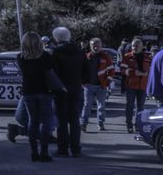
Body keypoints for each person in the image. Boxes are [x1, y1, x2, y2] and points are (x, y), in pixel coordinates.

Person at [17, 32, 56, 162]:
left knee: (32, 122)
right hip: (44, 90)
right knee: (45, 122)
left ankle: (34, 152)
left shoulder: (21, 57)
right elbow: (50, 72)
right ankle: (44, 152)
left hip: (28, 91)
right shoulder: (45, 56)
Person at [50, 26, 87, 157]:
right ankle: (76, 148)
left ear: (56, 38)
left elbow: (53, 73)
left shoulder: (55, 53)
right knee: (75, 120)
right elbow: (85, 72)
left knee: (61, 121)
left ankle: (63, 149)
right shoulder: (80, 52)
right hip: (76, 88)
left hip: (60, 90)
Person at [81, 38, 115, 131]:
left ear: (101, 46)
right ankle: (83, 124)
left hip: (101, 86)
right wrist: (82, 82)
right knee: (87, 105)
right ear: (90, 46)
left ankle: (100, 124)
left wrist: (108, 81)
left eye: (97, 46)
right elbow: (81, 70)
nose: (95, 47)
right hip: (88, 86)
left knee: (101, 106)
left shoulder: (105, 57)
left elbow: (111, 70)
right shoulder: (86, 57)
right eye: (93, 45)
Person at [120, 38, 151, 133]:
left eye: (137, 45)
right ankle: (129, 125)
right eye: (133, 45)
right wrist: (134, 72)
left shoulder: (148, 58)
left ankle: (138, 125)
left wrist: (147, 74)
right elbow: (122, 70)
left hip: (143, 86)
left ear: (142, 46)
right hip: (131, 86)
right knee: (130, 106)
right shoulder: (126, 57)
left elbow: (151, 71)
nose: (135, 47)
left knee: (140, 107)